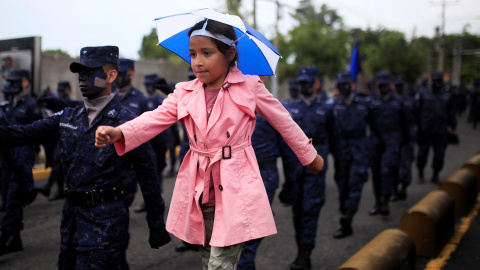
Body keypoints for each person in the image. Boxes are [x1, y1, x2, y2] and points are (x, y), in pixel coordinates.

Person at [95, 20, 324, 270]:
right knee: (207, 258)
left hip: (236, 184)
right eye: (192, 54)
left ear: (230, 54)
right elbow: (155, 119)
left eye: (207, 53)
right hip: (200, 186)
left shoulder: (250, 86)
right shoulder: (184, 91)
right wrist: (119, 132)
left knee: (220, 264)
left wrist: (309, 155)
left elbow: (283, 120)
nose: (197, 61)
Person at [0, 46, 170, 269]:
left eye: (90, 72)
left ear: (111, 76)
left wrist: (156, 223)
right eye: (80, 72)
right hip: (71, 220)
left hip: (105, 222)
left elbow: (148, 175)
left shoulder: (128, 122)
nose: (82, 78)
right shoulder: (69, 116)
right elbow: (22, 134)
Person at [276, 66, 334, 270]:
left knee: (310, 209)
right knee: (297, 211)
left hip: (315, 168)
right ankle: (302, 249)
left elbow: (335, 139)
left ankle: (304, 252)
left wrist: (341, 167)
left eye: (308, 82)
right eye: (301, 83)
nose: (304, 86)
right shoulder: (290, 108)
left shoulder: (327, 108)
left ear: (317, 83)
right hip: (295, 168)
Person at [330, 71, 376, 239]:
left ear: (353, 85)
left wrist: (370, 149)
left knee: (356, 183)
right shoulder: (334, 106)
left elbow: (374, 127)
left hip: (360, 150)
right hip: (342, 151)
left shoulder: (364, 105)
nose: (343, 88)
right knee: (343, 186)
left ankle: (347, 218)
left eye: (346, 84)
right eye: (340, 85)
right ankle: (345, 215)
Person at [368, 71, 408, 216]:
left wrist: (404, 141)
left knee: (387, 171)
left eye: (385, 85)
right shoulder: (372, 101)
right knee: (376, 172)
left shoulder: (398, 102)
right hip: (375, 141)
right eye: (380, 85)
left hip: (392, 140)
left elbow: (405, 123)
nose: (382, 88)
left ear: (389, 85)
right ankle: (377, 201)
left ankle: (385, 201)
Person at [0, 108, 37, 256]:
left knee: (12, 197)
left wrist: (27, 186)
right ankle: (13, 237)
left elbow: (14, 156)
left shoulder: (29, 104)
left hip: (20, 150)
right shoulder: (8, 105)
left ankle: (9, 236)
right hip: (9, 160)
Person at [415, 71, 457, 184]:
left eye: (440, 80)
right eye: (435, 80)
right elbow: (417, 111)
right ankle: (420, 173)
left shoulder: (447, 95)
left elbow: (451, 113)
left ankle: (435, 174)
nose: (437, 83)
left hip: (441, 129)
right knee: (422, 153)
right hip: (425, 129)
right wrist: (416, 125)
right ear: (432, 80)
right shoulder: (423, 94)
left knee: (439, 154)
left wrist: (453, 127)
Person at [391, 75, 416, 201]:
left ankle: (404, 188)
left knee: (406, 165)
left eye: (401, 85)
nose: (399, 87)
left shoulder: (410, 100)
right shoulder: (390, 100)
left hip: (408, 137)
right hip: (394, 137)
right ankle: (394, 190)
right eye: (397, 85)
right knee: (393, 165)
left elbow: (417, 115)